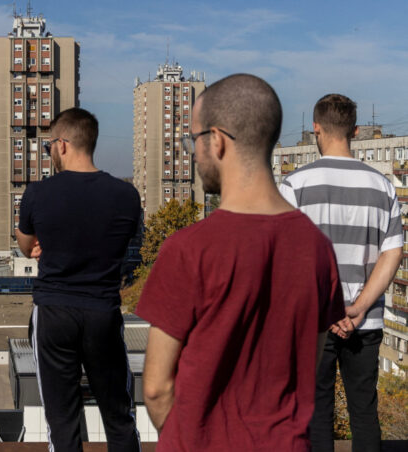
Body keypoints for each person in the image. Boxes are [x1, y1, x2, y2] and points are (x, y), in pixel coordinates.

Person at [135, 74, 346, 451]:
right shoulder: (318, 249)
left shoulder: (187, 249)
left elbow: (155, 388)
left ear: (216, 141)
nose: (193, 152)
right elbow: (306, 368)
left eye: (195, 140)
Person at [280, 93, 402, 452]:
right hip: (365, 322)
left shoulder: (296, 185)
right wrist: (360, 307)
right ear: (356, 130)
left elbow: (289, 258)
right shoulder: (382, 185)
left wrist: (329, 308)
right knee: (364, 411)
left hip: (314, 321)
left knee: (317, 415)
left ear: (315, 128)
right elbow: (392, 252)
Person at [15, 107, 141, 451]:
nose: (50, 153)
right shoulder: (126, 196)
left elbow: (27, 247)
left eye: (49, 147)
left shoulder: (37, 194)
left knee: (62, 420)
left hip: (54, 313)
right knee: (118, 417)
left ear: (63, 144)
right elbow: (121, 242)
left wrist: (47, 241)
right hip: (102, 313)